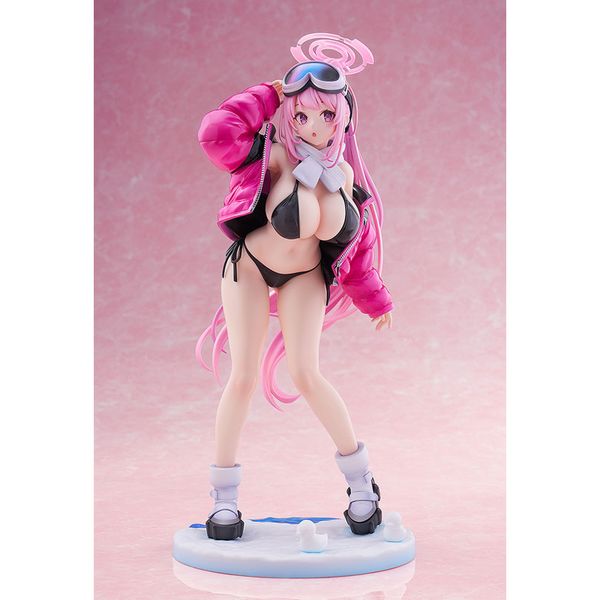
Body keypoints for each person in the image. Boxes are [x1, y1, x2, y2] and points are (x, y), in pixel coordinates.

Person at [196, 40, 394, 541]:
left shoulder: (345, 175)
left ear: (342, 117)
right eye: (302, 115)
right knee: (242, 377)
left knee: (308, 374)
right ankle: (224, 499)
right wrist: (268, 94)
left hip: (305, 277)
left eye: (326, 115)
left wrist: (375, 299)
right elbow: (216, 132)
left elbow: (359, 249)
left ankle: (362, 484)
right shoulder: (273, 156)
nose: (314, 126)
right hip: (251, 267)